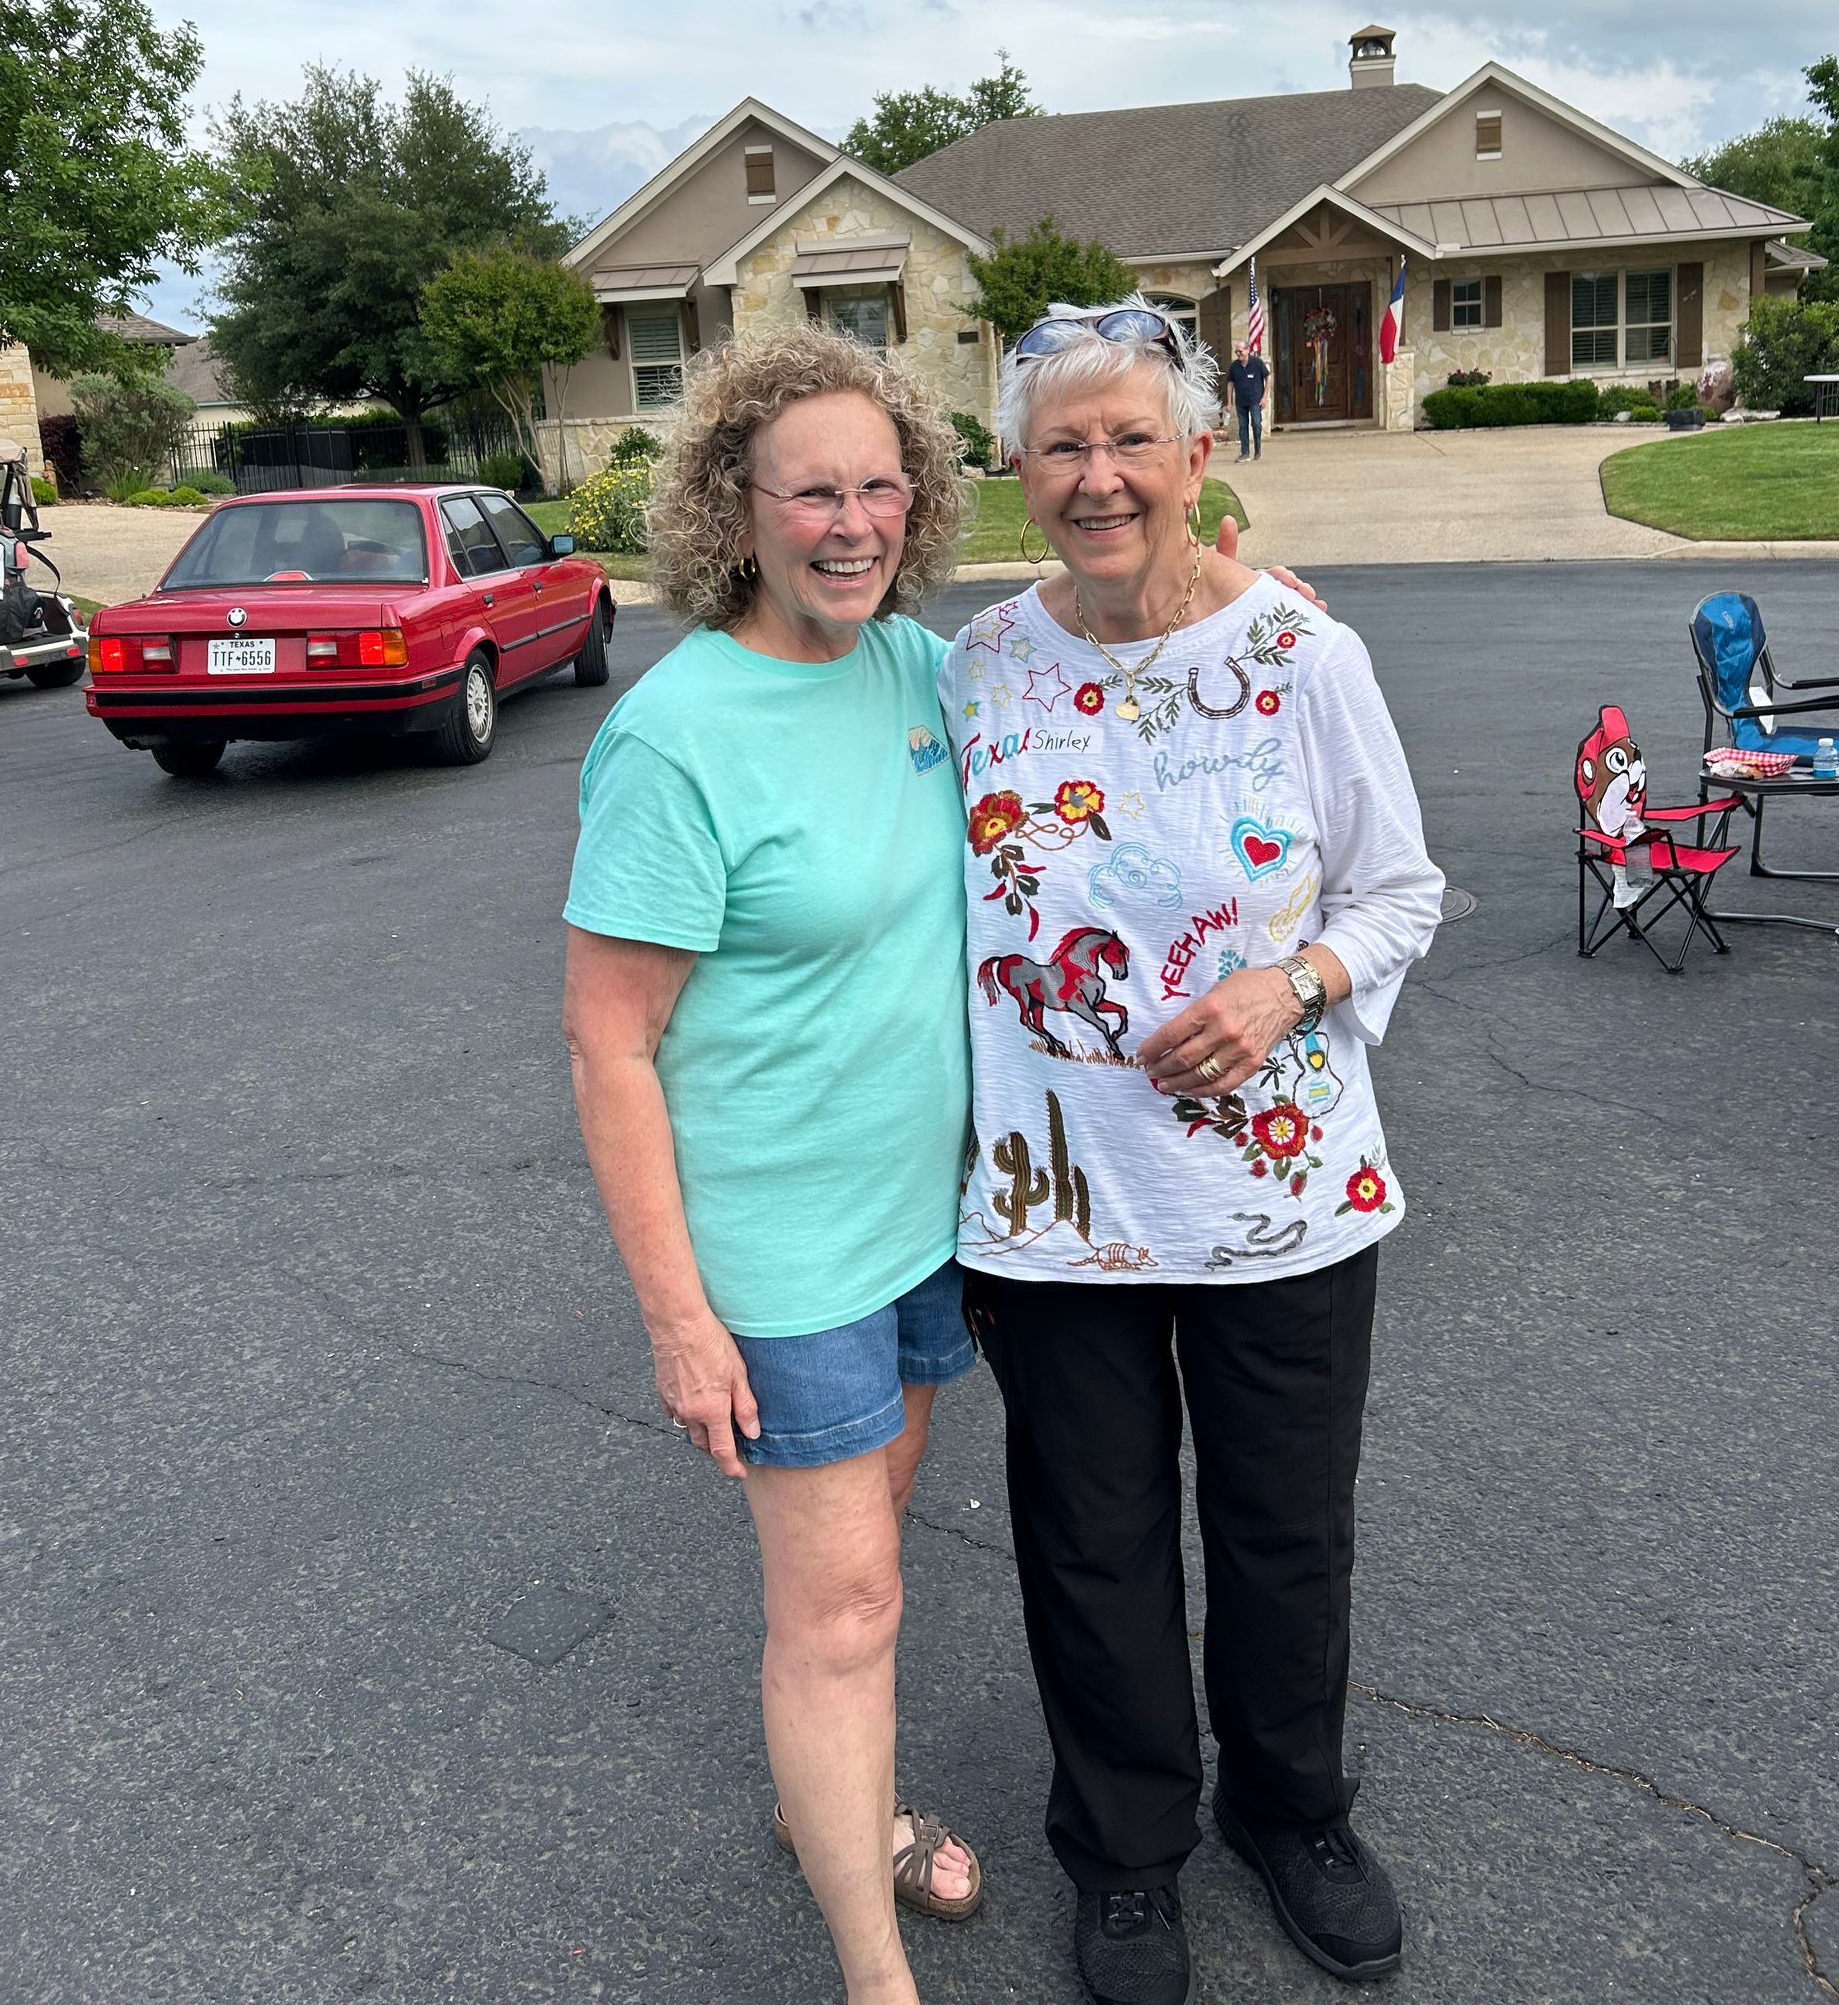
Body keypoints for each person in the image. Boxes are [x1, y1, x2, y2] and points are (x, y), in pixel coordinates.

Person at [944, 303, 1442, 2005]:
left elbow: (1400, 896)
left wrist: (1285, 982)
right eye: (1062, 447)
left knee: (1286, 1528)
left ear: (1197, 457)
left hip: (1282, 1200)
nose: (1098, 479)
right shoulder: (974, 668)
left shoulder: (1307, 657)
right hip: (1050, 1206)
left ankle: (1293, 1812)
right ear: (1018, 470)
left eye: (1129, 441)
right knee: (1092, 1544)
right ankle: (1129, 1850)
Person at [562, 326, 985, 2005]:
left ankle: (849, 1805)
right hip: (782, 1254)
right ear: (738, 506)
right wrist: (678, 1318)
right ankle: (873, 1966)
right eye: (812, 489)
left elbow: (1107, 671)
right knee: (847, 1610)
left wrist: (1263, 607)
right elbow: (609, 1043)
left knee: (871, 1551)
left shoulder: (917, 673)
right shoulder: (678, 740)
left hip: (924, 1225)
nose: (852, 520)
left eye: (881, 485)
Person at [1227, 337, 1267, 459]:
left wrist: (1265, 396)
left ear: (1247, 350)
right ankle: (1245, 452)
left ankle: (1257, 449)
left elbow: (1268, 377)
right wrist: (1229, 402)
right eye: (1236, 352)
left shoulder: (1257, 363)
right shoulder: (1234, 366)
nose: (1238, 354)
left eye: (1240, 351)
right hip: (1241, 401)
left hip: (1255, 400)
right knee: (1243, 427)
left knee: (1256, 424)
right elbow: (1230, 383)